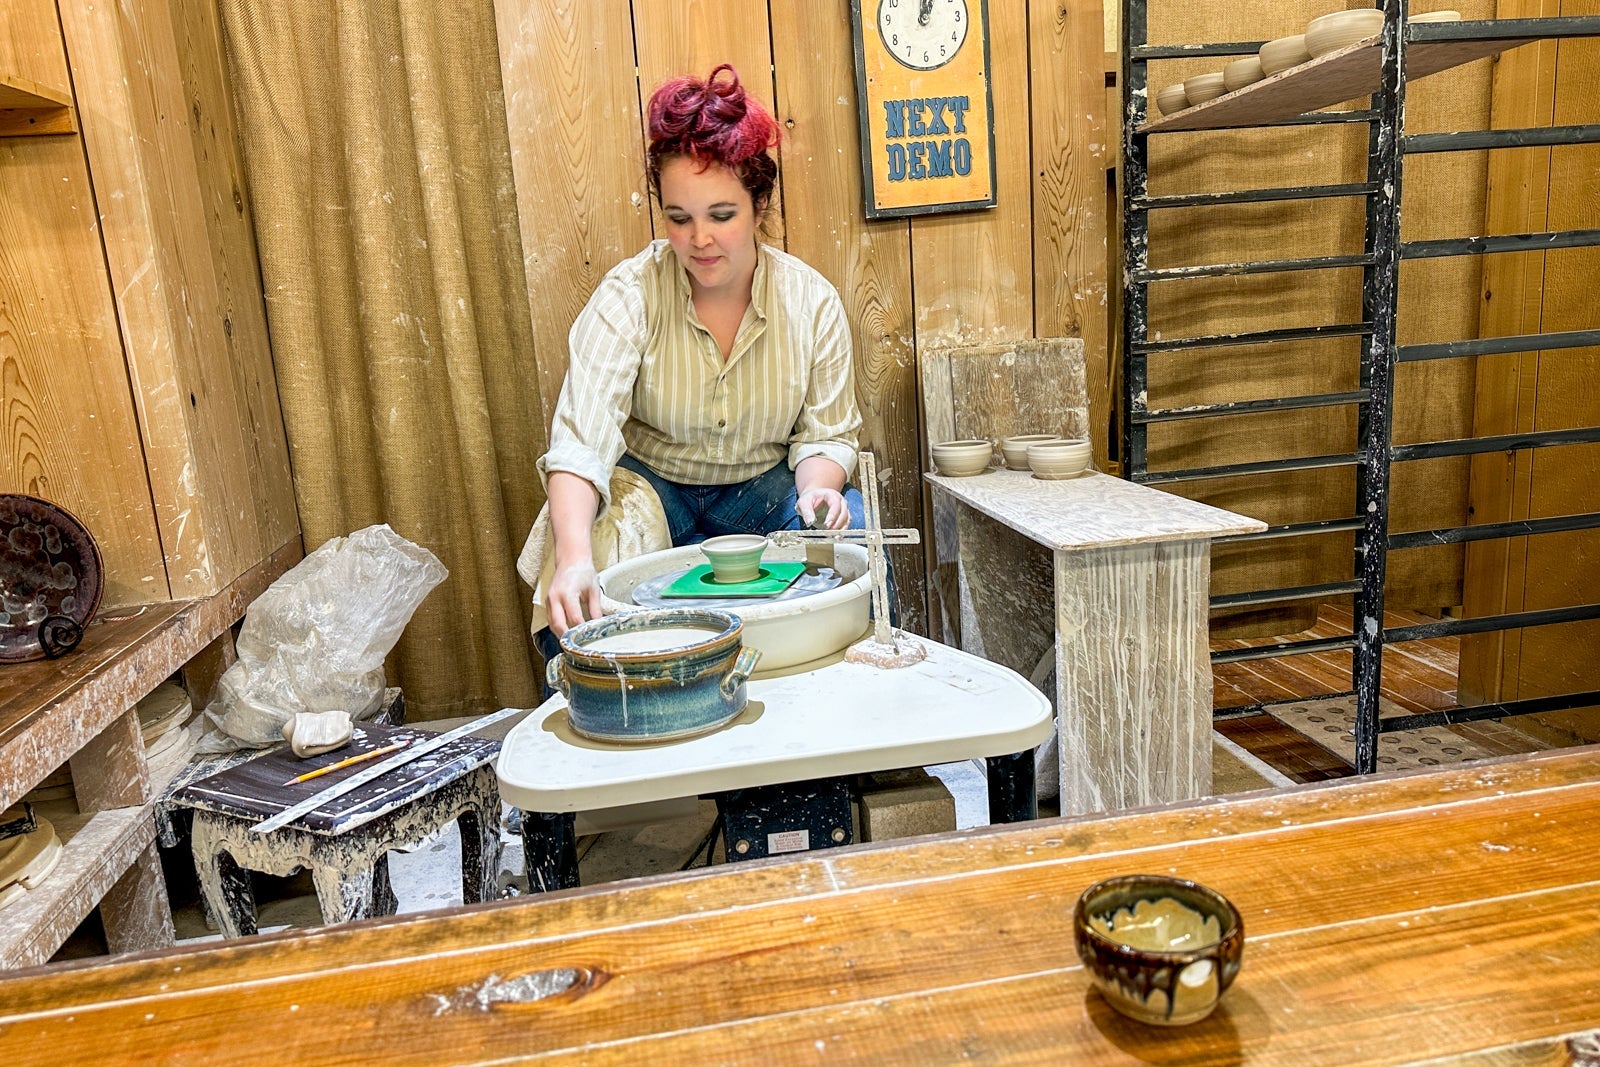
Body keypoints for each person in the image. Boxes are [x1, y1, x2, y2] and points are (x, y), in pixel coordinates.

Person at [535, 64, 869, 641]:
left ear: (759, 205)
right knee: (586, 558)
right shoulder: (628, 295)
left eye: (721, 215)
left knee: (845, 537)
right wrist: (572, 559)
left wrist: (820, 489)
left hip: (764, 488)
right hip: (652, 486)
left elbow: (825, 433)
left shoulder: (811, 301)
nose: (699, 239)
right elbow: (581, 443)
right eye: (678, 218)